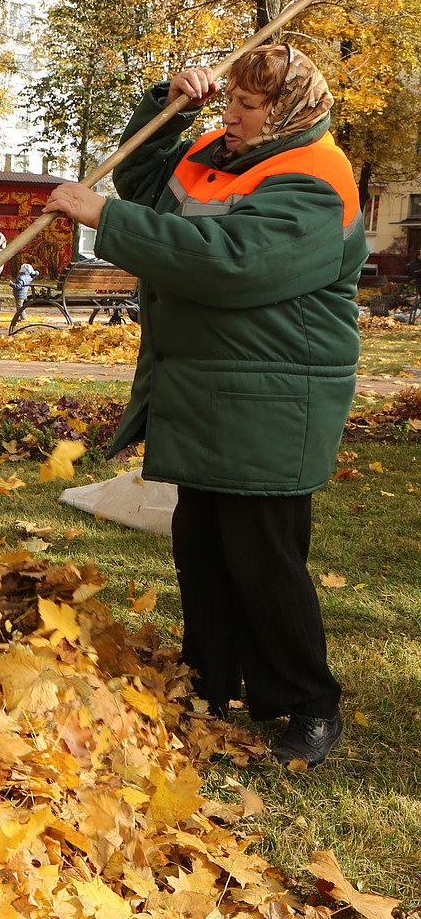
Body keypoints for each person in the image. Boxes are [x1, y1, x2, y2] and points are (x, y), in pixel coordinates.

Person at [44, 43, 365, 770]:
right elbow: (148, 176)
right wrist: (167, 106)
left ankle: (309, 704)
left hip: (274, 399)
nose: (232, 117)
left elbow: (231, 260)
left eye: (247, 107)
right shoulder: (223, 150)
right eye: (229, 102)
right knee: (202, 546)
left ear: (287, 110)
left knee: (263, 557)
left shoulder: (318, 178)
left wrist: (108, 220)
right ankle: (209, 688)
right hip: (212, 391)